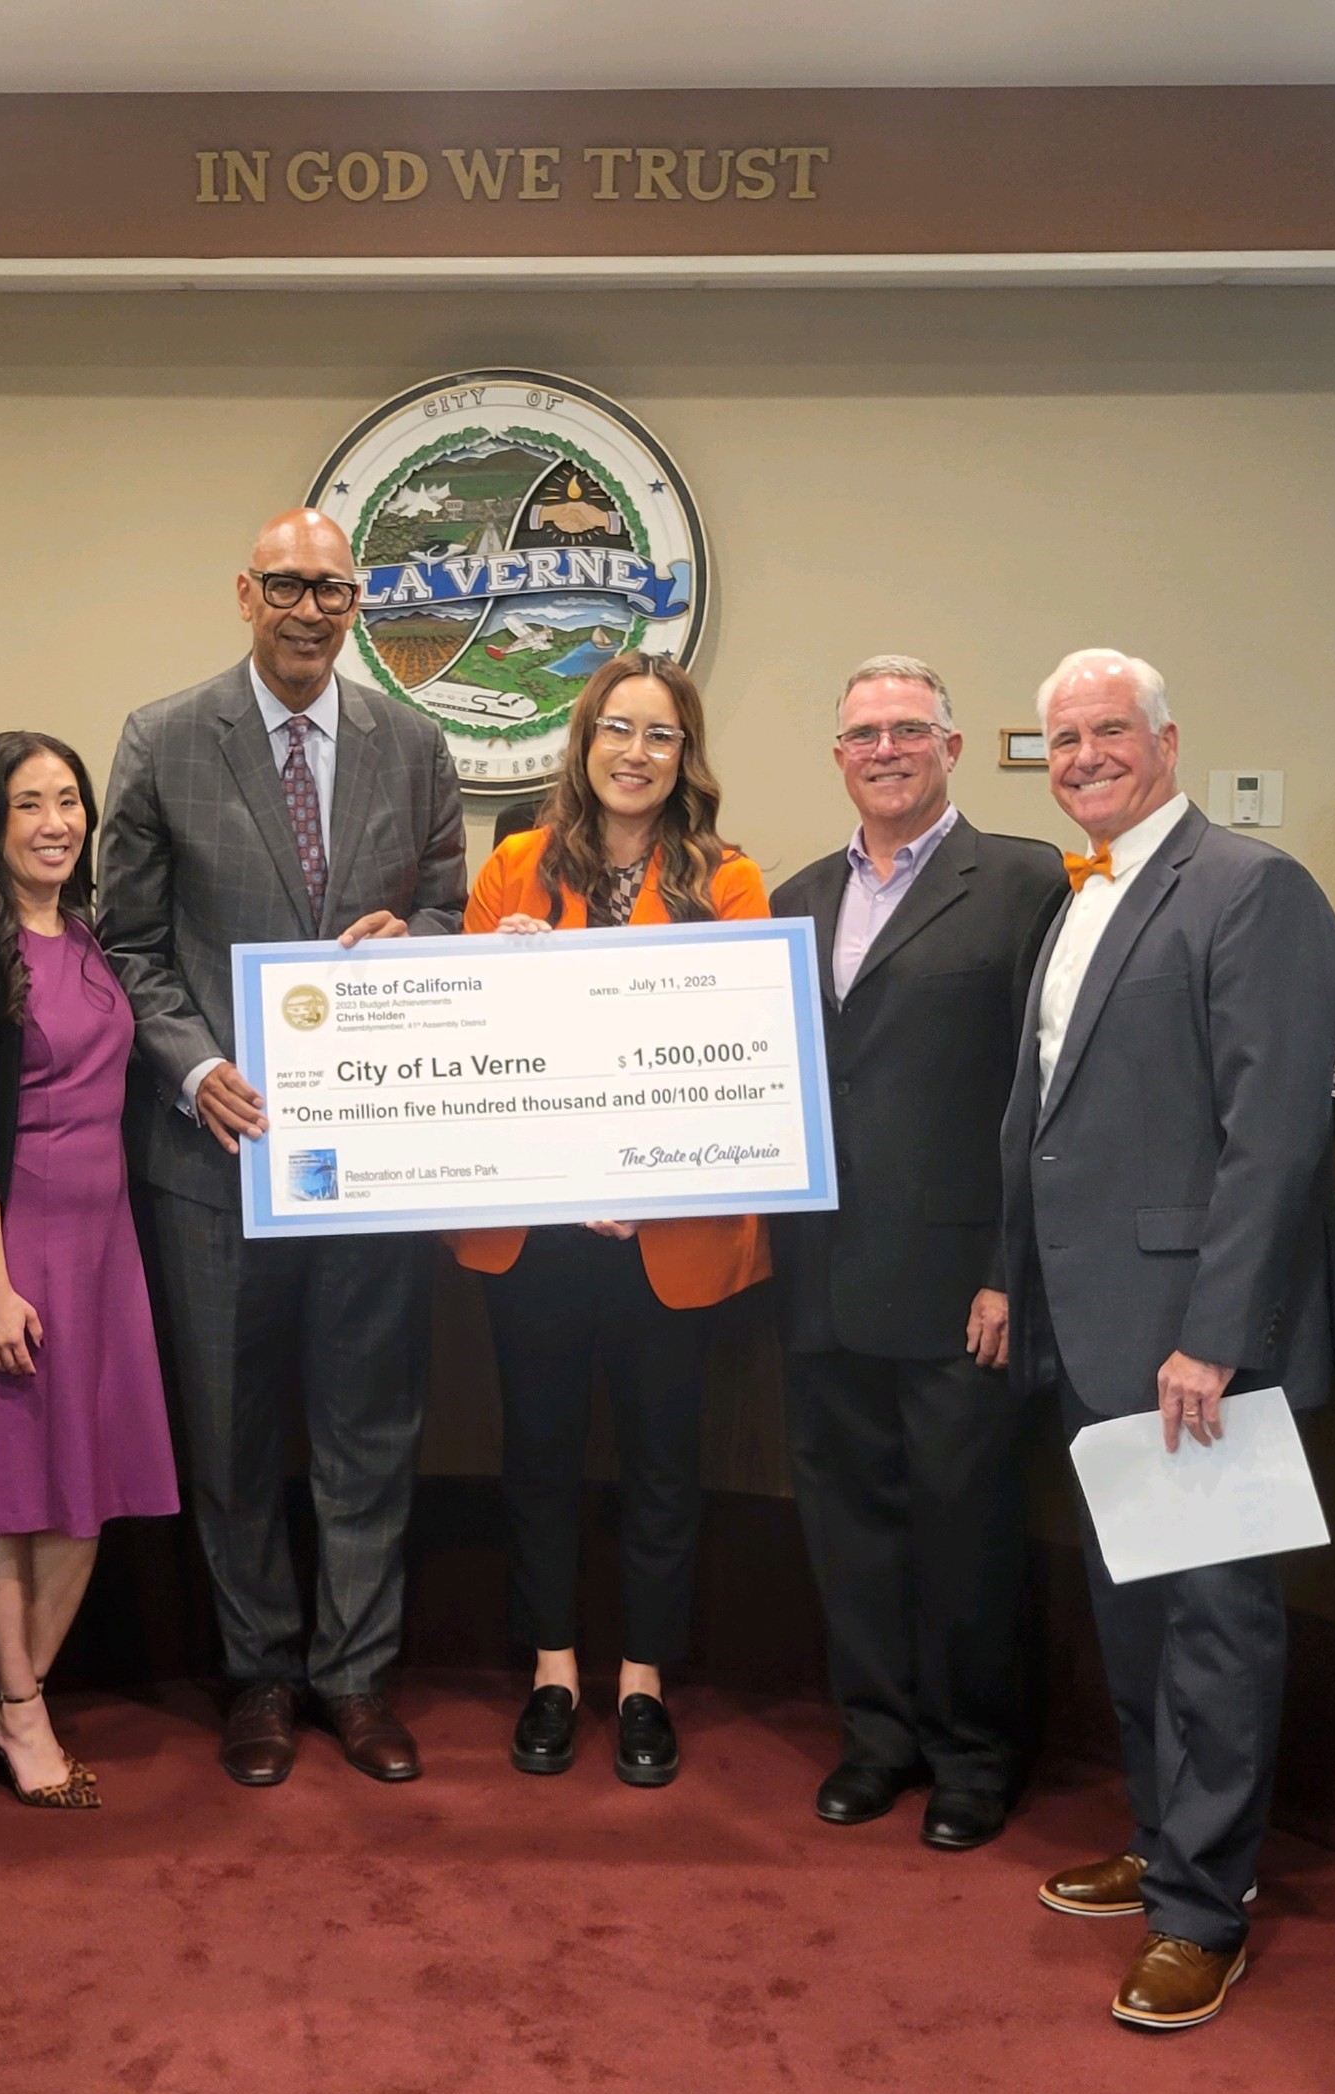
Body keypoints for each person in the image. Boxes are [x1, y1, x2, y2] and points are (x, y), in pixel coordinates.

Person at [1001, 648, 1335, 2033]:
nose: (1086, 754)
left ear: (1165, 738)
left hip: (1196, 1341)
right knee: (1134, 1611)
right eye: (1065, 737)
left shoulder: (1249, 886)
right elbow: (1043, 1115)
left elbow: (1272, 1139)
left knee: (1213, 1622)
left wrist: (1214, 1336)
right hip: (1092, 1328)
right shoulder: (1084, 891)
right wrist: (1007, 1279)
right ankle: (1162, 1839)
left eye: (1109, 732)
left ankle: (1207, 1912)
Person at [100, 508, 468, 1787]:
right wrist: (196, 1066)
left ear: (358, 603)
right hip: (215, 1159)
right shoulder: (161, 738)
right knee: (235, 1432)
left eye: (335, 590)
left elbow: (443, 901)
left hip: (370, 1159)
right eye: (288, 587)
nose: (311, 610)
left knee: (370, 1426)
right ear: (245, 592)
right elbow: (126, 945)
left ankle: (357, 1679)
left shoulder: (414, 744)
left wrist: (418, 943)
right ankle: (257, 1675)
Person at [450, 653, 767, 1787]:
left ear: (687, 757)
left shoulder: (728, 879)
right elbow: (477, 1053)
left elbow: (740, 1061)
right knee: (536, 1454)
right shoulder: (515, 870)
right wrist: (483, 974)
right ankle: (552, 1672)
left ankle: (643, 1683)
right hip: (535, 1234)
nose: (637, 753)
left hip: (665, 1234)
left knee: (662, 1463)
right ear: (583, 744)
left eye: (662, 736)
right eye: (618, 731)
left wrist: (651, 1181)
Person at [770, 656, 1068, 1850]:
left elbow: (1042, 1091)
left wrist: (1010, 1264)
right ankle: (879, 1738)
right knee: (847, 1522)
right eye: (861, 734)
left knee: (966, 1527)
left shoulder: (1023, 883)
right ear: (837, 756)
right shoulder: (795, 895)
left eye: (907, 729)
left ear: (949, 745)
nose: (883, 749)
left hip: (960, 1282)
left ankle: (972, 1755)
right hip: (822, 1273)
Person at [0, 732, 180, 1807]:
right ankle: (20, 1712)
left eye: (71, 802)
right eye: (31, 805)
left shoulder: (91, 936)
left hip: (103, 1252)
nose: (58, 823)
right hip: (7, 1250)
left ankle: (21, 1689)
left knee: (84, 1490)